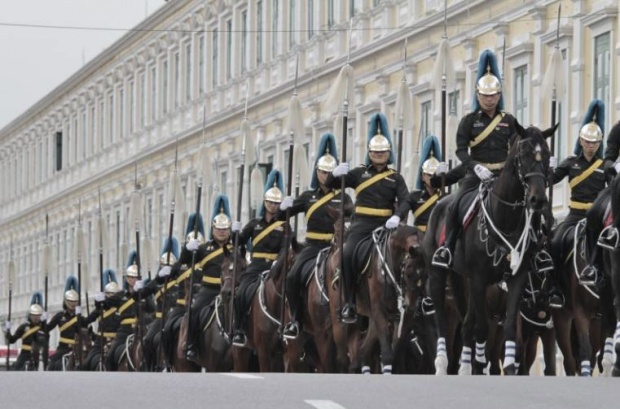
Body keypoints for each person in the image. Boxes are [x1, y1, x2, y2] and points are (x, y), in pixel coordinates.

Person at [432, 49, 524, 269]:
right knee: (454, 206)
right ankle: (448, 247)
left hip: (504, 174)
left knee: (529, 204)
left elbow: (517, 147)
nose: (489, 100)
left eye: (493, 95)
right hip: (476, 175)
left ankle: (536, 248)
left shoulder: (509, 121)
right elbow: (461, 151)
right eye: (485, 95)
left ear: (499, 96)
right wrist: (475, 167)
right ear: (478, 95)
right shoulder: (469, 121)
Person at [328, 112, 409, 323]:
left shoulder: (395, 177)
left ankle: (405, 298)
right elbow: (331, 185)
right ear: (369, 153)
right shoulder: (358, 173)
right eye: (376, 152)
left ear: (388, 153)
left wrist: (398, 216)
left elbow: (406, 200)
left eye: (383, 152)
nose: (379, 155)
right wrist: (335, 174)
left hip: (386, 226)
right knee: (346, 255)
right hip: (361, 226)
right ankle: (350, 303)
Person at [281, 133, 353, 339]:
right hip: (312, 246)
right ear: (317, 172)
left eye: (330, 172)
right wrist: (283, 207)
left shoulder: (344, 196)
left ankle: (353, 310)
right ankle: (295, 319)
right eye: (323, 172)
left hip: (336, 246)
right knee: (293, 276)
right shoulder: (307, 197)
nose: (326, 176)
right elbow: (281, 216)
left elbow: (353, 215)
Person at [550, 99, 608, 288]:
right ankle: (555, 287)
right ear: (581, 141)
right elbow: (550, 180)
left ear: (599, 143)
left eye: (594, 142)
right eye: (587, 141)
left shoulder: (605, 167)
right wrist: (545, 168)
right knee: (556, 242)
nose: (590, 145)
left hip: (597, 217)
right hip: (574, 216)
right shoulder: (570, 163)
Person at [231, 169, 287, 347]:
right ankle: (239, 329)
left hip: (275, 267)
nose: (273, 206)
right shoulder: (254, 224)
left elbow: (287, 247)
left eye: (276, 203)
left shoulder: (284, 225)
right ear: (265, 202)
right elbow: (237, 242)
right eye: (270, 202)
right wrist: (236, 232)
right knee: (240, 294)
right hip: (255, 266)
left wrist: (279, 261)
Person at [184, 194, 233, 362]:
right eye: (219, 229)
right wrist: (188, 249)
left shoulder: (235, 246)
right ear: (213, 229)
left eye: (225, 229)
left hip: (229, 290)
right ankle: (191, 345)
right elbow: (183, 262)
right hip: (209, 290)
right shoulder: (204, 248)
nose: (222, 232)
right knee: (194, 310)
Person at [106, 250, 155, 371]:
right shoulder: (120, 296)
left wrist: (143, 293)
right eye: (131, 277)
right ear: (127, 279)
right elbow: (106, 304)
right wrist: (99, 300)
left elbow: (152, 309)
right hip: (124, 331)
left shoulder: (144, 293)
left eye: (136, 277)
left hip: (142, 329)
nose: (133, 280)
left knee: (155, 348)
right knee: (111, 355)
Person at [45, 276, 95, 370]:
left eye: (75, 301)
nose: (72, 304)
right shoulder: (60, 316)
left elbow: (90, 321)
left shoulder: (80, 318)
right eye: (70, 301)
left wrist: (98, 307)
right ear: (66, 301)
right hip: (63, 349)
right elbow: (46, 329)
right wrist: (43, 319)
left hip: (77, 349)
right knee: (52, 364)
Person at [82, 271, 123, 371]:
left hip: (116, 340)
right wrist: (78, 314)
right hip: (100, 341)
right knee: (87, 363)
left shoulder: (122, 309)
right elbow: (85, 321)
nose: (111, 297)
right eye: (109, 294)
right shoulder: (99, 309)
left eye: (114, 294)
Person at [4, 294, 46, 371]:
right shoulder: (23, 327)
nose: (36, 317)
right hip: (24, 354)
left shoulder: (43, 327)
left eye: (38, 315)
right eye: (33, 315)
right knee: (16, 369)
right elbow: (12, 340)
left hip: (38, 355)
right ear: (29, 315)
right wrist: (7, 330)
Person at [596, 119, 620, 248]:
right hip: (619, 179)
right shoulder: (617, 129)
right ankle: (614, 231)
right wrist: (616, 167)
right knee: (593, 212)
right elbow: (609, 159)